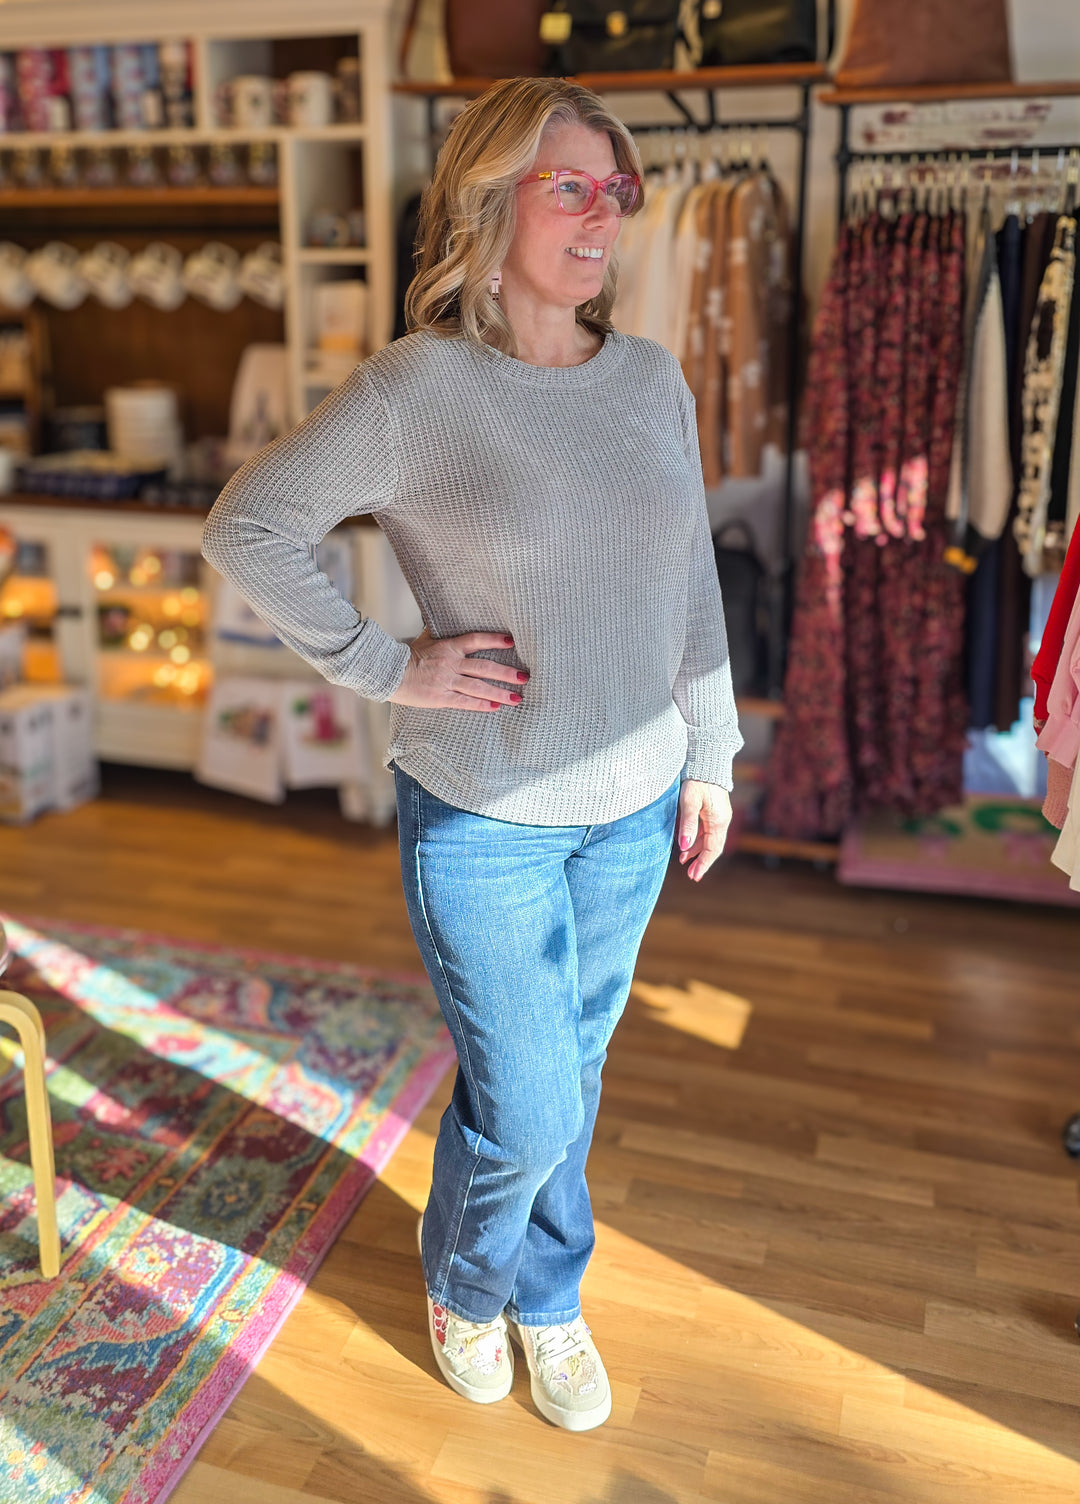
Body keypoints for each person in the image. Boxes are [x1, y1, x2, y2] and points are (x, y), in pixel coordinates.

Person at [202, 75, 742, 1433]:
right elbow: (249, 528)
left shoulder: (652, 382)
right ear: (488, 202)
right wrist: (393, 665)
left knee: (566, 1080)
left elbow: (690, 582)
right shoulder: (420, 391)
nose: (604, 213)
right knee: (534, 1089)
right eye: (570, 184)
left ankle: (546, 1298)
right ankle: (467, 1277)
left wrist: (713, 754)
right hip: (484, 811)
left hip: (629, 810)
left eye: (614, 187)